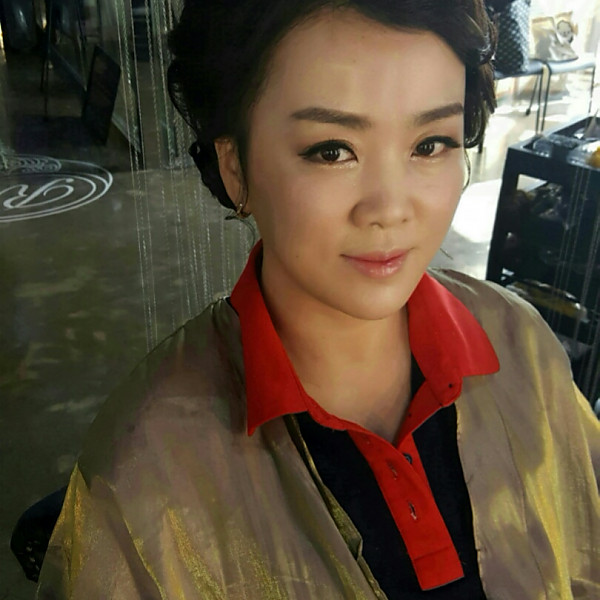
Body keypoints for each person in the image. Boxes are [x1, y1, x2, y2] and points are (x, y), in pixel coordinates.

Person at [37, 1, 600, 598]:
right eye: (332, 150)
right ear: (235, 168)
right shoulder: (147, 468)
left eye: (431, 144)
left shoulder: (519, 344)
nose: (390, 208)